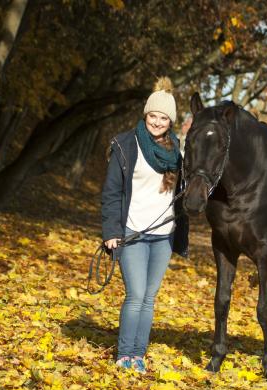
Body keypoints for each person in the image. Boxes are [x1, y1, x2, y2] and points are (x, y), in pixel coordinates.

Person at [101, 77, 189, 374]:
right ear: (145, 115)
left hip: (163, 236)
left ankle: (139, 355)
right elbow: (112, 192)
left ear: (170, 121)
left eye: (163, 118)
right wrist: (111, 231)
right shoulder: (126, 144)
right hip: (132, 234)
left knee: (149, 299)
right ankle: (124, 354)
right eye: (153, 115)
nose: (157, 122)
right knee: (136, 296)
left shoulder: (177, 152)